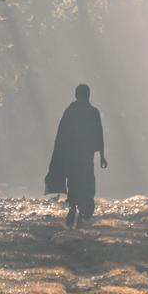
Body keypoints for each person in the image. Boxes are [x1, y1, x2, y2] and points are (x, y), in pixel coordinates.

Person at [45, 82, 107, 227]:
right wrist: (102, 156)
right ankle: (82, 210)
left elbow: (61, 135)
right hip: (86, 156)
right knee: (86, 182)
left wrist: (60, 154)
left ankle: (73, 207)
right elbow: (99, 134)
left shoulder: (70, 111)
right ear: (88, 95)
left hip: (72, 156)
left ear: (76, 95)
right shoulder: (93, 112)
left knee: (73, 182)